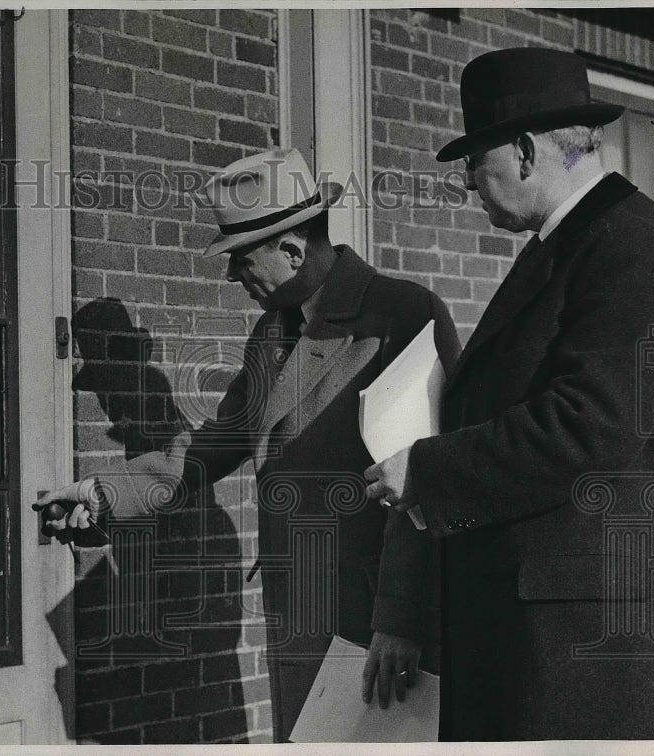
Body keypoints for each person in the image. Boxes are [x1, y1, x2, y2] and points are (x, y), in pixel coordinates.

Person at [37, 147, 460, 742]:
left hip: (376, 618)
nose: (232, 277)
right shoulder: (272, 331)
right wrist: (106, 493)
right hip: (304, 606)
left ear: (291, 250)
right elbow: (221, 440)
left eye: (239, 259)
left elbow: (432, 479)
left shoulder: (401, 314)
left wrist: (404, 618)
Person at [364, 48, 654, 740]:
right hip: (554, 637)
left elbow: (588, 424)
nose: (468, 182)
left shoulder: (629, 248)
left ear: (524, 151)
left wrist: (428, 469)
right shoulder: (579, 242)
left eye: (473, 160)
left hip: (591, 655)